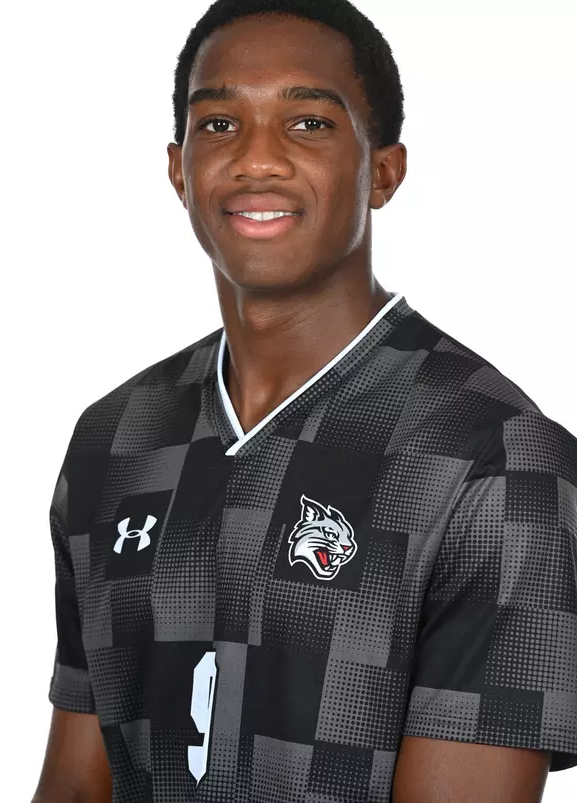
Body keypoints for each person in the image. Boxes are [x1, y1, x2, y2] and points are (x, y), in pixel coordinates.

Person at [32, 1, 577, 801]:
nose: (257, 159)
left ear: (382, 171)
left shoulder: (496, 458)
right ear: (178, 168)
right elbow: (76, 785)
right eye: (219, 124)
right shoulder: (115, 437)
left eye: (308, 124)